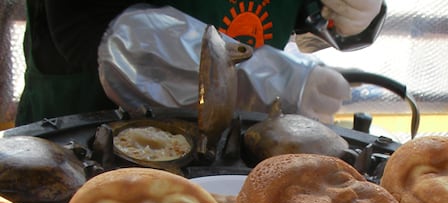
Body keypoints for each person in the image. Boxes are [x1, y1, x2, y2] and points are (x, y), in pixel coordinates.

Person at [16, 0, 385, 126]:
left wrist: (353, 19)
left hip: (235, 148)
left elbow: (307, 21)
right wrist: (260, 79)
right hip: (89, 140)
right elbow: (96, 29)